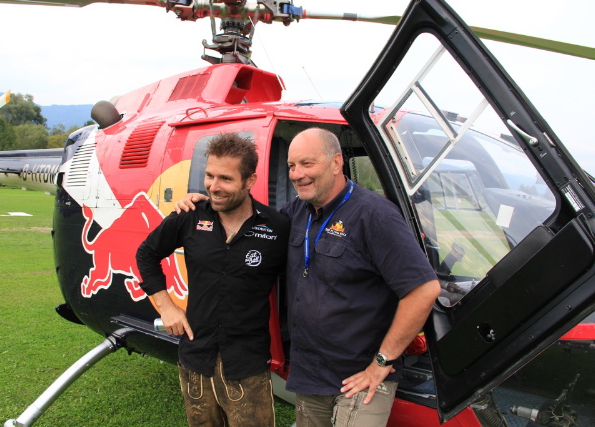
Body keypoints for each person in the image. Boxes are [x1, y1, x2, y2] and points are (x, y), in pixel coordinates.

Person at [176, 127, 440, 426]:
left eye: (307, 163)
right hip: (311, 373)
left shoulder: (375, 215)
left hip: (361, 375)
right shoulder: (293, 214)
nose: (296, 174)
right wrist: (209, 204)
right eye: (291, 166)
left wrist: (382, 362)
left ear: (337, 162)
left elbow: (423, 289)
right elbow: (249, 222)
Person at [136, 132, 289, 427]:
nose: (214, 187)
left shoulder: (277, 227)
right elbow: (146, 254)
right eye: (209, 176)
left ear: (249, 181)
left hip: (247, 365)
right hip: (196, 359)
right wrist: (166, 306)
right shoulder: (190, 215)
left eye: (226, 179)